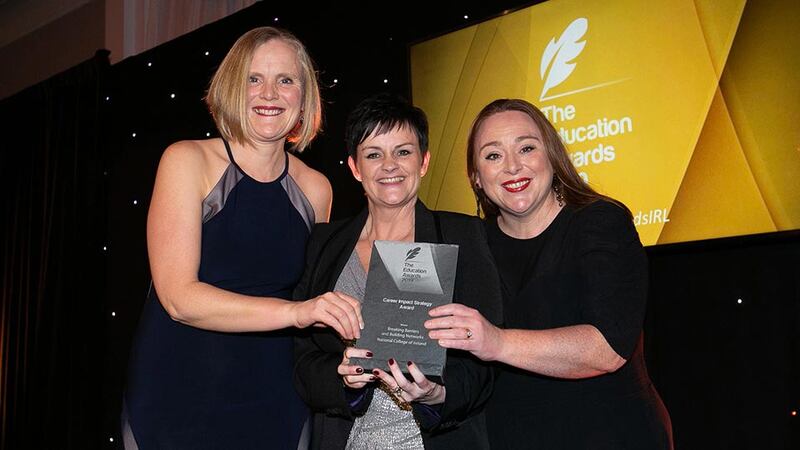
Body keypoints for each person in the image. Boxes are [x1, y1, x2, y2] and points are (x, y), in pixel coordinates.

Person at [123, 27, 363, 449]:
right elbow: (179, 299)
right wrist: (298, 312)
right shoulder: (187, 160)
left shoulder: (316, 188)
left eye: (285, 80)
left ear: (304, 97)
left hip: (275, 399)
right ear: (232, 87)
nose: (269, 92)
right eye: (254, 78)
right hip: (178, 395)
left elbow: (313, 292)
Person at [425, 98, 673, 449]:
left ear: (552, 158)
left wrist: (496, 341)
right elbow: (470, 372)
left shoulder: (600, 222)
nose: (512, 166)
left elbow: (608, 349)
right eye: (493, 155)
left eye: (526, 148)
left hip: (612, 435)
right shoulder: (470, 245)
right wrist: (434, 391)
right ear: (476, 178)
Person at [293, 93, 503, 449]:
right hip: (345, 439)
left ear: (424, 161)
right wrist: (342, 379)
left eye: (403, 152)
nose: (389, 165)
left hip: (431, 439)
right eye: (374, 154)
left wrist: (438, 393)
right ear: (355, 167)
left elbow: (485, 361)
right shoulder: (324, 243)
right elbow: (302, 359)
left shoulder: (463, 235)